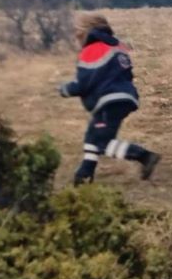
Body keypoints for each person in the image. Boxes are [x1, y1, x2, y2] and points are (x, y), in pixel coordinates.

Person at [58, 14, 160, 185]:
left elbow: (84, 84)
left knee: (102, 143)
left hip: (109, 101)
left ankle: (145, 156)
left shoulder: (92, 49)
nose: (76, 37)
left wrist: (65, 89)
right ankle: (85, 174)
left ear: (85, 32)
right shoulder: (117, 46)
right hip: (122, 98)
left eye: (77, 33)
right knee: (93, 137)